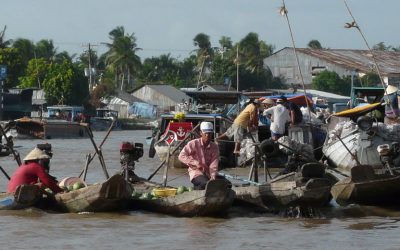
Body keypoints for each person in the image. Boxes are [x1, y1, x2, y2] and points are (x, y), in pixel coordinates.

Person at [178, 121, 219, 190]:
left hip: (208, 174)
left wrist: (213, 177)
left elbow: (213, 165)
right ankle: (197, 191)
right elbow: (181, 156)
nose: (207, 136)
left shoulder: (215, 147)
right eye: (205, 133)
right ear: (201, 133)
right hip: (196, 173)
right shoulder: (193, 143)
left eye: (209, 133)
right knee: (205, 184)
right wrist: (195, 163)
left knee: (226, 184)